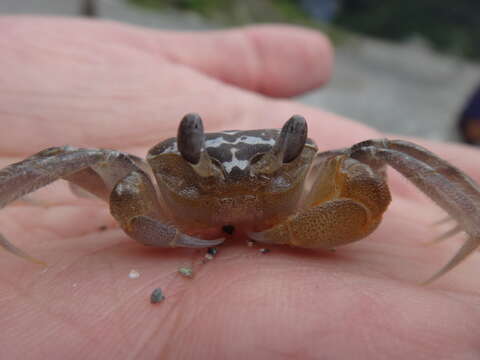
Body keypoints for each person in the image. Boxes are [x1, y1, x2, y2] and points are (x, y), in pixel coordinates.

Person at [1, 16, 479, 359]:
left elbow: (365, 199)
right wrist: (168, 232)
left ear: (300, 154)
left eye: (274, 167)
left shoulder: (328, 174)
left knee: (381, 151)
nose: (235, 182)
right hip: (174, 210)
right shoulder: (141, 183)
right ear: (180, 158)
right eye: (200, 165)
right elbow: (126, 196)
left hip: (294, 209)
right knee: (75, 157)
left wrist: (295, 229)